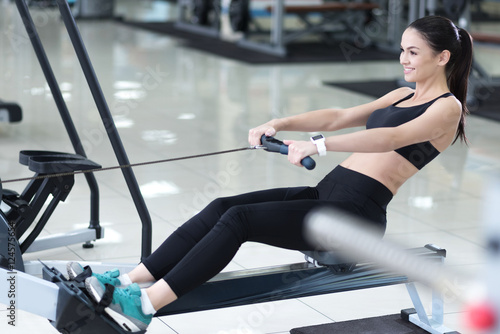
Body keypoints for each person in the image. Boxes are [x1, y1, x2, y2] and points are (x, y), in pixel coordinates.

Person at [68, 15, 473, 332]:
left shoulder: (448, 107)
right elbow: (340, 116)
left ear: (442, 57)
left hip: (356, 216)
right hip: (327, 195)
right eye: (402, 49)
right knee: (222, 205)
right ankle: (127, 280)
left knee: (239, 221)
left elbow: (392, 137)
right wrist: (280, 123)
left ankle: (144, 307)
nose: (403, 58)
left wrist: (319, 146)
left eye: (414, 52)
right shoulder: (403, 93)